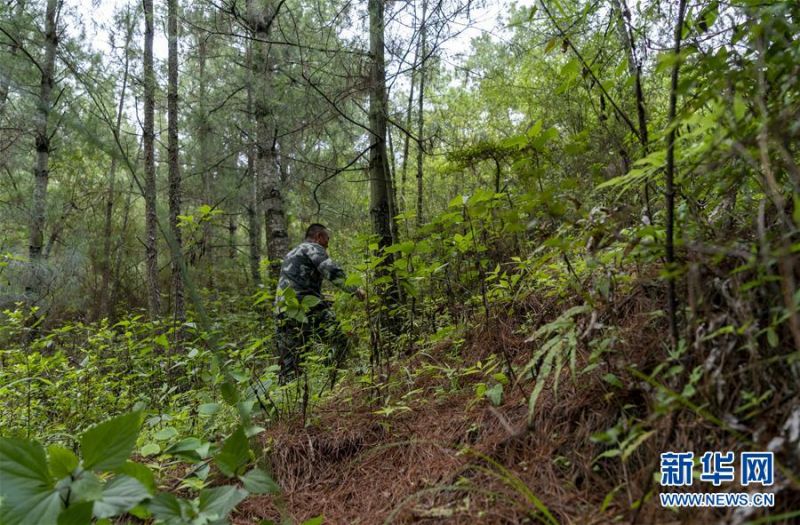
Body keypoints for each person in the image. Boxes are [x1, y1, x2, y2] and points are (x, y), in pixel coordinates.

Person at [274, 223, 365, 383]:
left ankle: (286, 394)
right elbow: (331, 271)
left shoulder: (291, 253)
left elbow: (297, 283)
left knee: (290, 361)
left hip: (283, 310)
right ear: (319, 237)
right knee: (337, 338)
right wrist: (355, 289)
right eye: (327, 239)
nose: (327, 244)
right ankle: (347, 378)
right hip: (303, 308)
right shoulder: (312, 248)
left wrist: (322, 298)